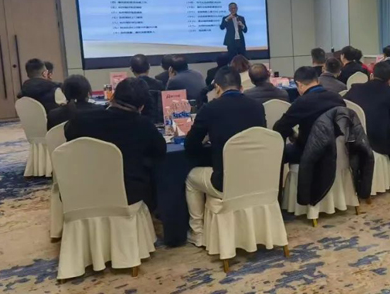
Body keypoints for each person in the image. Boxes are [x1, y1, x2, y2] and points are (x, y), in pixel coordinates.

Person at [184, 67, 266, 246]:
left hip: (225, 182)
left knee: (191, 178)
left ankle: (198, 233)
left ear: (217, 88)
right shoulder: (257, 106)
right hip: (257, 179)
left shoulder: (210, 109)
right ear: (241, 87)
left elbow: (190, 145)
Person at [64, 78, 166, 206]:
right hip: (129, 195)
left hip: (85, 189)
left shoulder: (81, 120)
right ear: (141, 107)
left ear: (112, 97)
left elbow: (68, 139)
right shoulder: (144, 126)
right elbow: (160, 151)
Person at [273, 67, 345, 163]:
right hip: (337, 149)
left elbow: (279, 127)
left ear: (299, 84)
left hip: (309, 151)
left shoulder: (302, 102)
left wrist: (292, 134)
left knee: (277, 154)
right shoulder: (337, 98)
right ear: (317, 81)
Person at [345, 62, 390, 155]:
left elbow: (344, 102)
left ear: (372, 75)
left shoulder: (356, 88)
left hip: (353, 134)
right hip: (377, 138)